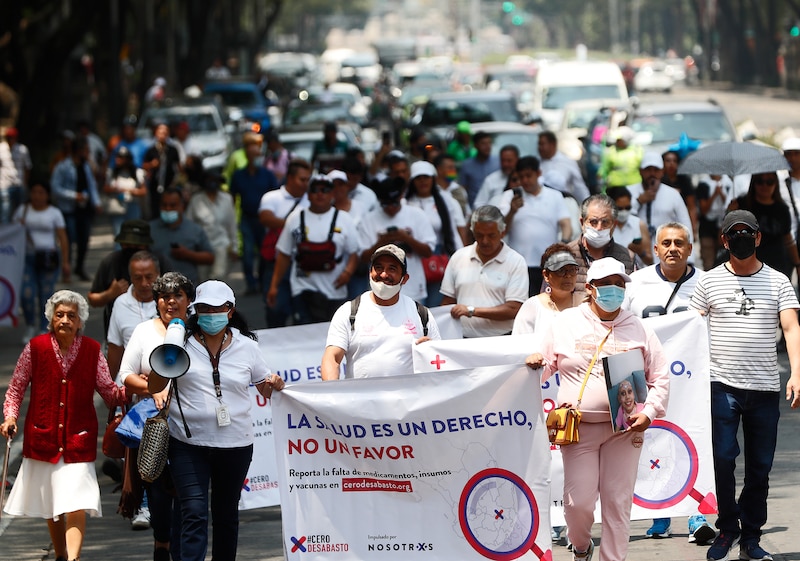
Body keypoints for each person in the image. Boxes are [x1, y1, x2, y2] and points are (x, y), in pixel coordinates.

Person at [526, 257, 669, 561]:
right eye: (606, 285)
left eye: (619, 285)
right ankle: (581, 547)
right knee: (578, 504)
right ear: (590, 288)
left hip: (625, 430)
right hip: (579, 429)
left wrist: (650, 411)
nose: (613, 291)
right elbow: (542, 367)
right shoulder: (564, 324)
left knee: (618, 503)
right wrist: (533, 363)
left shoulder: (639, 329)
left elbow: (660, 377)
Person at [689, 209, 800, 561]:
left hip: (765, 387)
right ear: (724, 240)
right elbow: (689, 330)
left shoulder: (779, 281)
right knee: (722, 458)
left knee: (759, 467)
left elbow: (791, 328)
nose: (740, 237)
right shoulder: (707, 282)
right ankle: (728, 528)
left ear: (758, 238)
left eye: (746, 232)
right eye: (733, 233)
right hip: (721, 385)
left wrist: (797, 372)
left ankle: (751, 537)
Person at [152, 280, 285, 561]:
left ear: (230, 310)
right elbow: (156, 382)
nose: (210, 314)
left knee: (226, 516)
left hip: (235, 444)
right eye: (203, 308)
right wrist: (167, 355)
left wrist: (273, 383)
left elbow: (262, 385)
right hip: (187, 443)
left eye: (216, 308)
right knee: (194, 512)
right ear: (195, 311)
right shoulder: (181, 342)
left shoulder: (247, 346)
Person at [1, 290, 127, 561]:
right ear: (51, 319)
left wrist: (136, 388)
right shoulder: (35, 348)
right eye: (59, 315)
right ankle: (60, 554)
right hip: (42, 437)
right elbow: (15, 389)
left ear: (80, 321)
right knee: (52, 504)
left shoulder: (93, 350)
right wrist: (10, 417)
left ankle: (73, 558)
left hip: (78, 438)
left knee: (76, 502)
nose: (65, 320)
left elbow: (108, 391)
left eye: (72, 316)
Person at [622, 221, 715, 544]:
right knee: (654, 442)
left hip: (692, 379)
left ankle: (697, 515)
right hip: (649, 378)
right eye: (666, 243)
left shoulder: (706, 283)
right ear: (656, 249)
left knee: (695, 439)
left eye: (680, 243)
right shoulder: (636, 282)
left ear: (690, 249)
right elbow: (621, 324)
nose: (673, 248)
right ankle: (659, 515)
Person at [118, 271, 195, 561]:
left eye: (177, 295)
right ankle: (161, 546)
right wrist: (152, 388)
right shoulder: (143, 331)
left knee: (190, 501)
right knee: (160, 499)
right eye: (163, 296)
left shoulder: (198, 331)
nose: (170, 301)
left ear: (189, 300)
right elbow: (125, 375)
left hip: (194, 428)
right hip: (156, 429)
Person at [321, 244, 441, 380]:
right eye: (378, 267)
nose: (384, 274)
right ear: (370, 272)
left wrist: (428, 351)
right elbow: (332, 358)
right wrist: (333, 394)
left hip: (409, 400)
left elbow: (438, 362)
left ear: (405, 279)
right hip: (360, 400)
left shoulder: (421, 314)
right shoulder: (349, 311)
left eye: (392, 268)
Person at [267, 175, 360, 324]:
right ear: (308, 194)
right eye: (315, 190)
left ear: (332, 194)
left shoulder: (344, 219)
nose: (320, 194)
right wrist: (274, 286)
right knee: (303, 332)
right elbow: (284, 254)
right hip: (303, 288)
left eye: (325, 190)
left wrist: (347, 273)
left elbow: (354, 253)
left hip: (334, 289)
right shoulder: (295, 218)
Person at [441, 205, 528, 337]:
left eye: (491, 235)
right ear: (473, 232)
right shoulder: (458, 257)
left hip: (500, 340)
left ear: (502, 232)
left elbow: (514, 308)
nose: (485, 241)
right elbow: (447, 302)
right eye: (479, 235)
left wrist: (471, 311)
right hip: (461, 340)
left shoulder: (516, 261)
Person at [499, 156, 572, 296]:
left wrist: (564, 244)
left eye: (529, 176)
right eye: (521, 177)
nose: (525, 180)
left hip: (548, 263)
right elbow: (501, 230)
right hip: (518, 264)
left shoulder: (555, 196)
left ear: (538, 173)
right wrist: (512, 211)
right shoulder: (510, 196)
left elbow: (566, 224)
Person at [358, 177, 436, 304]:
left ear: (401, 197)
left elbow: (428, 252)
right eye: (385, 204)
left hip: (413, 289)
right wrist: (382, 241)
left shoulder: (417, 215)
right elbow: (363, 258)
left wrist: (405, 238)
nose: (390, 208)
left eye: (394, 203)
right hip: (380, 290)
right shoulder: (369, 219)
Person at [88, 219, 171, 339]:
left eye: (137, 246)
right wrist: (109, 294)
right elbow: (93, 299)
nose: (143, 283)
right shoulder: (111, 262)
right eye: (128, 245)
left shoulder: (160, 262)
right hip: (120, 335)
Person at [13, 180, 70, 342]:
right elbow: (12, 233)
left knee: (46, 294)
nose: (37, 196)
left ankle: (43, 327)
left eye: (41, 192)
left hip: (48, 258)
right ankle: (31, 323)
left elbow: (62, 238)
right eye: (34, 192)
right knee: (26, 293)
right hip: (27, 259)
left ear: (47, 195)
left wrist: (66, 261)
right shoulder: (22, 211)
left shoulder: (54, 213)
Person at [258, 158, 311, 327]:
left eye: (308, 180)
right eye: (302, 179)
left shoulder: (312, 200)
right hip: (276, 262)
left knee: (303, 314)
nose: (306, 184)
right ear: (290, 178)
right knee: (276, 311)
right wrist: (295, 225)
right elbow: (265, 218)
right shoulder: (272, 197)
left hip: (304, 264)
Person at [405, 160, 466, 306]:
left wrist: (461, 260)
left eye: (426, 177)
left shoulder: (444, 201)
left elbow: (452, 233)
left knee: (435, 306)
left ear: (433, 178)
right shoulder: (406, 203)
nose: (422, 181)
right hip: (413, 259)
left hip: (437, 260)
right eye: (418, 178)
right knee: (414, 305)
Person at [565, 194, 639, 306]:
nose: (599, 228)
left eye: (605, 222)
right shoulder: (565, 255)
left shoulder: (627, 258)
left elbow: (634, 298)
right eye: (593, 222)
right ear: (582, 223)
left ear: (614, 225)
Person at [230, 132, 279, 294]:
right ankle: (251, 283)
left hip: (264, 220)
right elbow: (232, 195)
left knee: (265, 253)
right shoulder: (238, 175)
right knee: (248, 253)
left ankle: (263, 281)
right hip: (247, 217)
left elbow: (275, 195)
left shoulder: (267, 175)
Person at [728, 171, 800, 281]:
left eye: (769, 182)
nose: (764, 186)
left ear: (775, 183)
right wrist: (729, 214)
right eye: (760, 181)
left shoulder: (782, 209)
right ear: (753, 183)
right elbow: (725, 236)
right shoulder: (742, 205)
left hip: (777, 266)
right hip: (746, 266)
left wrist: (797, 264)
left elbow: (788, 239)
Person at [51, 136, 102, 281]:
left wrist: (96, 202)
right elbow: (56, 188)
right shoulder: (63, 166)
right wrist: (74, 196)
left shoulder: (86, 166)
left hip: (84, 209)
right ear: (78, 151)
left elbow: (91, 186)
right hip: (68, 209)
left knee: (84, 239)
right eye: (85, 150)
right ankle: (66, 267)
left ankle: (79, 267)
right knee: (69, 239)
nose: (87, 153)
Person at [149, 187, 215, 285]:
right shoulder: (150, 229)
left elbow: (210, 258)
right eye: (164, 205)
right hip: (157, 288)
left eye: (172, 205)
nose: (168, 209)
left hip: (188, 289)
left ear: (182, 206)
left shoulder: (195, 230)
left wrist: (188, 254)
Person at [627, 151, 694, 246]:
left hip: (666, 252)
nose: (652, 174)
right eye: (648, 170)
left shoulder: (673, 194)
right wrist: (638, 201)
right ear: (641, 171)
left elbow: (685, 224)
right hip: (635, 251)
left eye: (656, 170)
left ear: (662, 172)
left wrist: (689, 257)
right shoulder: (629, 192)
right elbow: (620, 220)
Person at [512, 244, 579, 335]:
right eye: (561, 271)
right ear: (546, 275)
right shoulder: (532, 306)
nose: (568, 275)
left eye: (572, 270)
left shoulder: (586, 304)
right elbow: (520, 343)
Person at [185, 175, 238, 280]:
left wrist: (235, 246)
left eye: (214, 180)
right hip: (202, 246)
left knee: (219, 277)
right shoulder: (196, 200)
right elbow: (188, 223)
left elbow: (232, 224)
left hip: (221, 244)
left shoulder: (227, 199)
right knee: (202, 278)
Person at [104, 145, 147, 240]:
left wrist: (131, 191)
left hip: (132, 205)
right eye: (117, 157)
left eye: (121, 157)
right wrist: (115, 190)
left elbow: (144, 191)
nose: (118, 160)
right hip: (118, 206)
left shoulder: (137, 173)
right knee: (119, 234)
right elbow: (106, 189)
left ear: (127, 159)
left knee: (133, 234)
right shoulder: (112, 173)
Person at [142, 122, 181, 219]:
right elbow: (143, 166)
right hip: (154, 185)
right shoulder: (151, 150)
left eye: (165, 132)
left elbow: (178, 166)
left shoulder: (172, 149)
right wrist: (152, 165)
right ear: (156, 133)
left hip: (169, 184)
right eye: (160, 132)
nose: (163, 135)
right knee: (155, 208)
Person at [538, 130, 591, 203]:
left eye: (542, 144)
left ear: (552, 144)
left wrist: (588, 205)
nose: (539, 148)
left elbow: (579, 187)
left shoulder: (567, 162)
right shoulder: (537, 164)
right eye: (539, 144)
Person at [696, 174, 734, 271]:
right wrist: (714, 194)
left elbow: (731, 205)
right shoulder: (703, 184)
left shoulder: (729, 183)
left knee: (723, 259)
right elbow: (703, 209)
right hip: (707, 227)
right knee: (708, 260)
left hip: (724, 226)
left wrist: (721, 193)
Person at [607, 186, 652, 265]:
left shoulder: (639, 224)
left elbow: (650, 260)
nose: (624, 211)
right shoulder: (605, 226)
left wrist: (640, 252)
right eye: (620, 208)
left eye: (627, 208)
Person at [458, 131, 500, 207]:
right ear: (475, 145)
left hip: (496, 207)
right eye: (483, 143)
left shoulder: (498, 162)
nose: (487, 146)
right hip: (475, 209)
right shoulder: (467, 165)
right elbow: (463, 189)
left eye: (489, 143)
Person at [661, 150, 698, 234]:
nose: (671, 164)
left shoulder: (685, 181)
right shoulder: (658, 181)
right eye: (668, 161)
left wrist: (693, 228)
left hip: (681, 221)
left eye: (674, 161)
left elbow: (692, 207)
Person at [474, 144, 519, 210]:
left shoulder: (524, 179)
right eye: (503, 160)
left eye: (509, 161)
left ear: (517, 159)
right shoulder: (490, 180)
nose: (505, 164)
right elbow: (479, 204)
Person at [597, 126, 642, 191]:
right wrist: (600, 175)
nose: (617, 141)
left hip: (634, 185)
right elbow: (604, 167)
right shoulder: (612, 151)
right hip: (615, 187)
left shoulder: (636, 151)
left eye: (619, 140)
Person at [434, 153, 471, 219]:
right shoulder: (432, 191)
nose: (454, 170)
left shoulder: (459, 190)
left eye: (454, 167)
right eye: (450, 167)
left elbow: (467, 213)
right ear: (439, 170)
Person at [5, 127, 32, 194]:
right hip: (4, 184)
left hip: (19, 183)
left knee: (20, 204)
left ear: (16, 138)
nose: (10, 140)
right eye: (9, 137)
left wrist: (25, 183)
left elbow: (28, 167)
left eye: (12, 137)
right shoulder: (1, 148)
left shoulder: (23, 150)